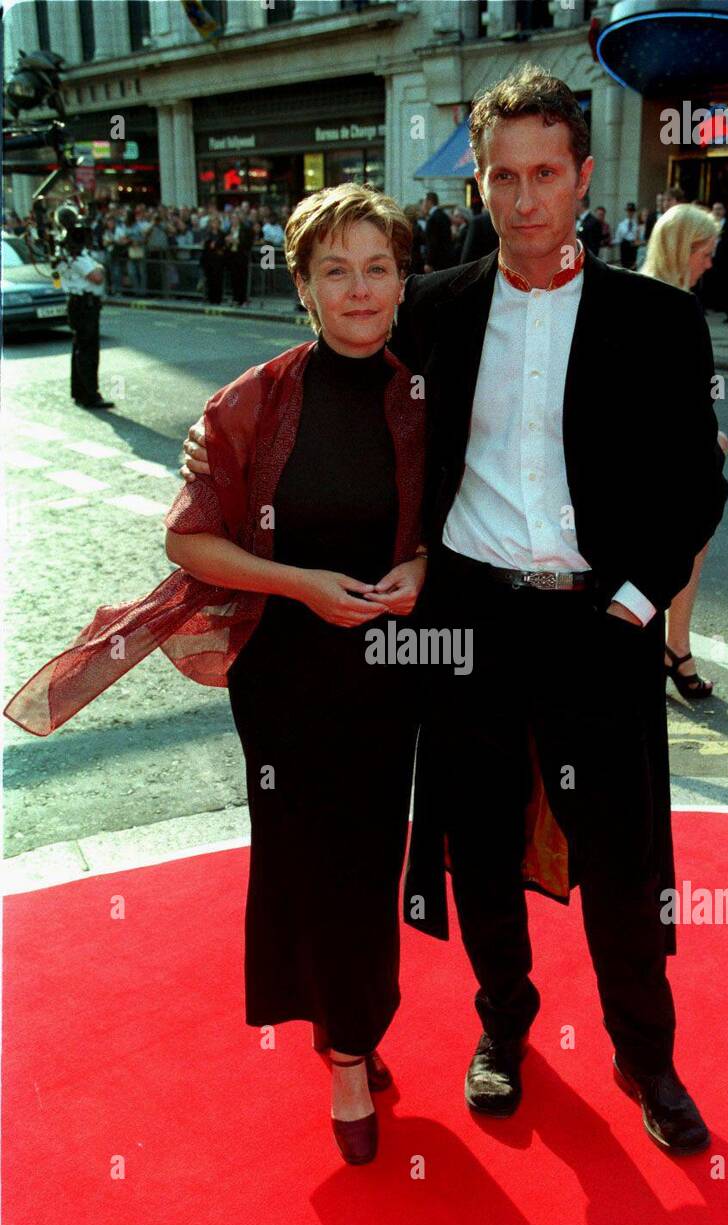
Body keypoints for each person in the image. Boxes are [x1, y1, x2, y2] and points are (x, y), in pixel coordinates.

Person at [180, 67, 728, 1158]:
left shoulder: (659, 320)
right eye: (502, 177)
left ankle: (644, 1053)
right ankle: (503, 1028)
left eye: (544, 174)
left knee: (618, 855)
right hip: (471, 618)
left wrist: (633, 598)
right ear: (477, 184)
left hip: (599, 624)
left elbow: (694, 483)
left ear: (580, 178)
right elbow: (337, 402)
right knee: (477, 844)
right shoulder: (430, 312)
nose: (525, 200)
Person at [3, 183, 426, 1170]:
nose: (358, 289)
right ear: (304, 287)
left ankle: (351, 1020)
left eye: (376, 268)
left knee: (368, 860)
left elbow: (466, 523)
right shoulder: (250, 401)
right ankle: (348, 1058)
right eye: (336, 271)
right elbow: (190, 540)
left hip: (392, 667)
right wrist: (298, 584)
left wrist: (424, 571)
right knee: (299, 854)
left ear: (402, 281)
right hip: (281, 672)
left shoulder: (424, 398)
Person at [641, 203, 728, 697]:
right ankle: (676, 646)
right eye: (706, 251)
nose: (711, 262)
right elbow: (694, 403)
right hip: (667, 464)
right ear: (684, 250)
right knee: (692, 536)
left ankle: (670, 644)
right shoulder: (679, 308)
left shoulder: (629, 293)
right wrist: (711, 442)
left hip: (636, 458)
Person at [54, 208, 114, 410]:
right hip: (84, 303)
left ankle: (79, 392)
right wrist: (100, 267)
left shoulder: (64, 248)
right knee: (87, 350)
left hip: (78, 303)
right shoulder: (74, 253)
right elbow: (96, 276)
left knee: (80, 348)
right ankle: (90, 395)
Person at [421, 190, 455, 271]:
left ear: (429, 202)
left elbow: (432, 242)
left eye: (424, 202)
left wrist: (429, 262)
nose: (423, 205)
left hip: (437, 262)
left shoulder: (432, 219)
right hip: (447, 260)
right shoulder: (444, 216)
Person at [200, 216, 227, 304]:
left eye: (217, 223)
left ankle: (218, 299)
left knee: (218, 280)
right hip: (209, 259)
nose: (215, 224)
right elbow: (206, 245)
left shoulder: (222, 234)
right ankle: (210, 298)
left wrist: (215, 245)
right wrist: (213, 245)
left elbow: (223, 245)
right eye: (213, 223)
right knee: (209, 280)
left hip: (219, 260)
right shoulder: (208, 233)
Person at [615, 201, 640, 269]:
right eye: (629, 211)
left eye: (632, 211)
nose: (630, 213)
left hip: (633, 247)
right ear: (626, 211)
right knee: (624, 267)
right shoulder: (621, 225)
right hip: (624, 246)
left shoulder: (636, 225)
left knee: (633, 267)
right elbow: (618, 238)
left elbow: (638, 238)